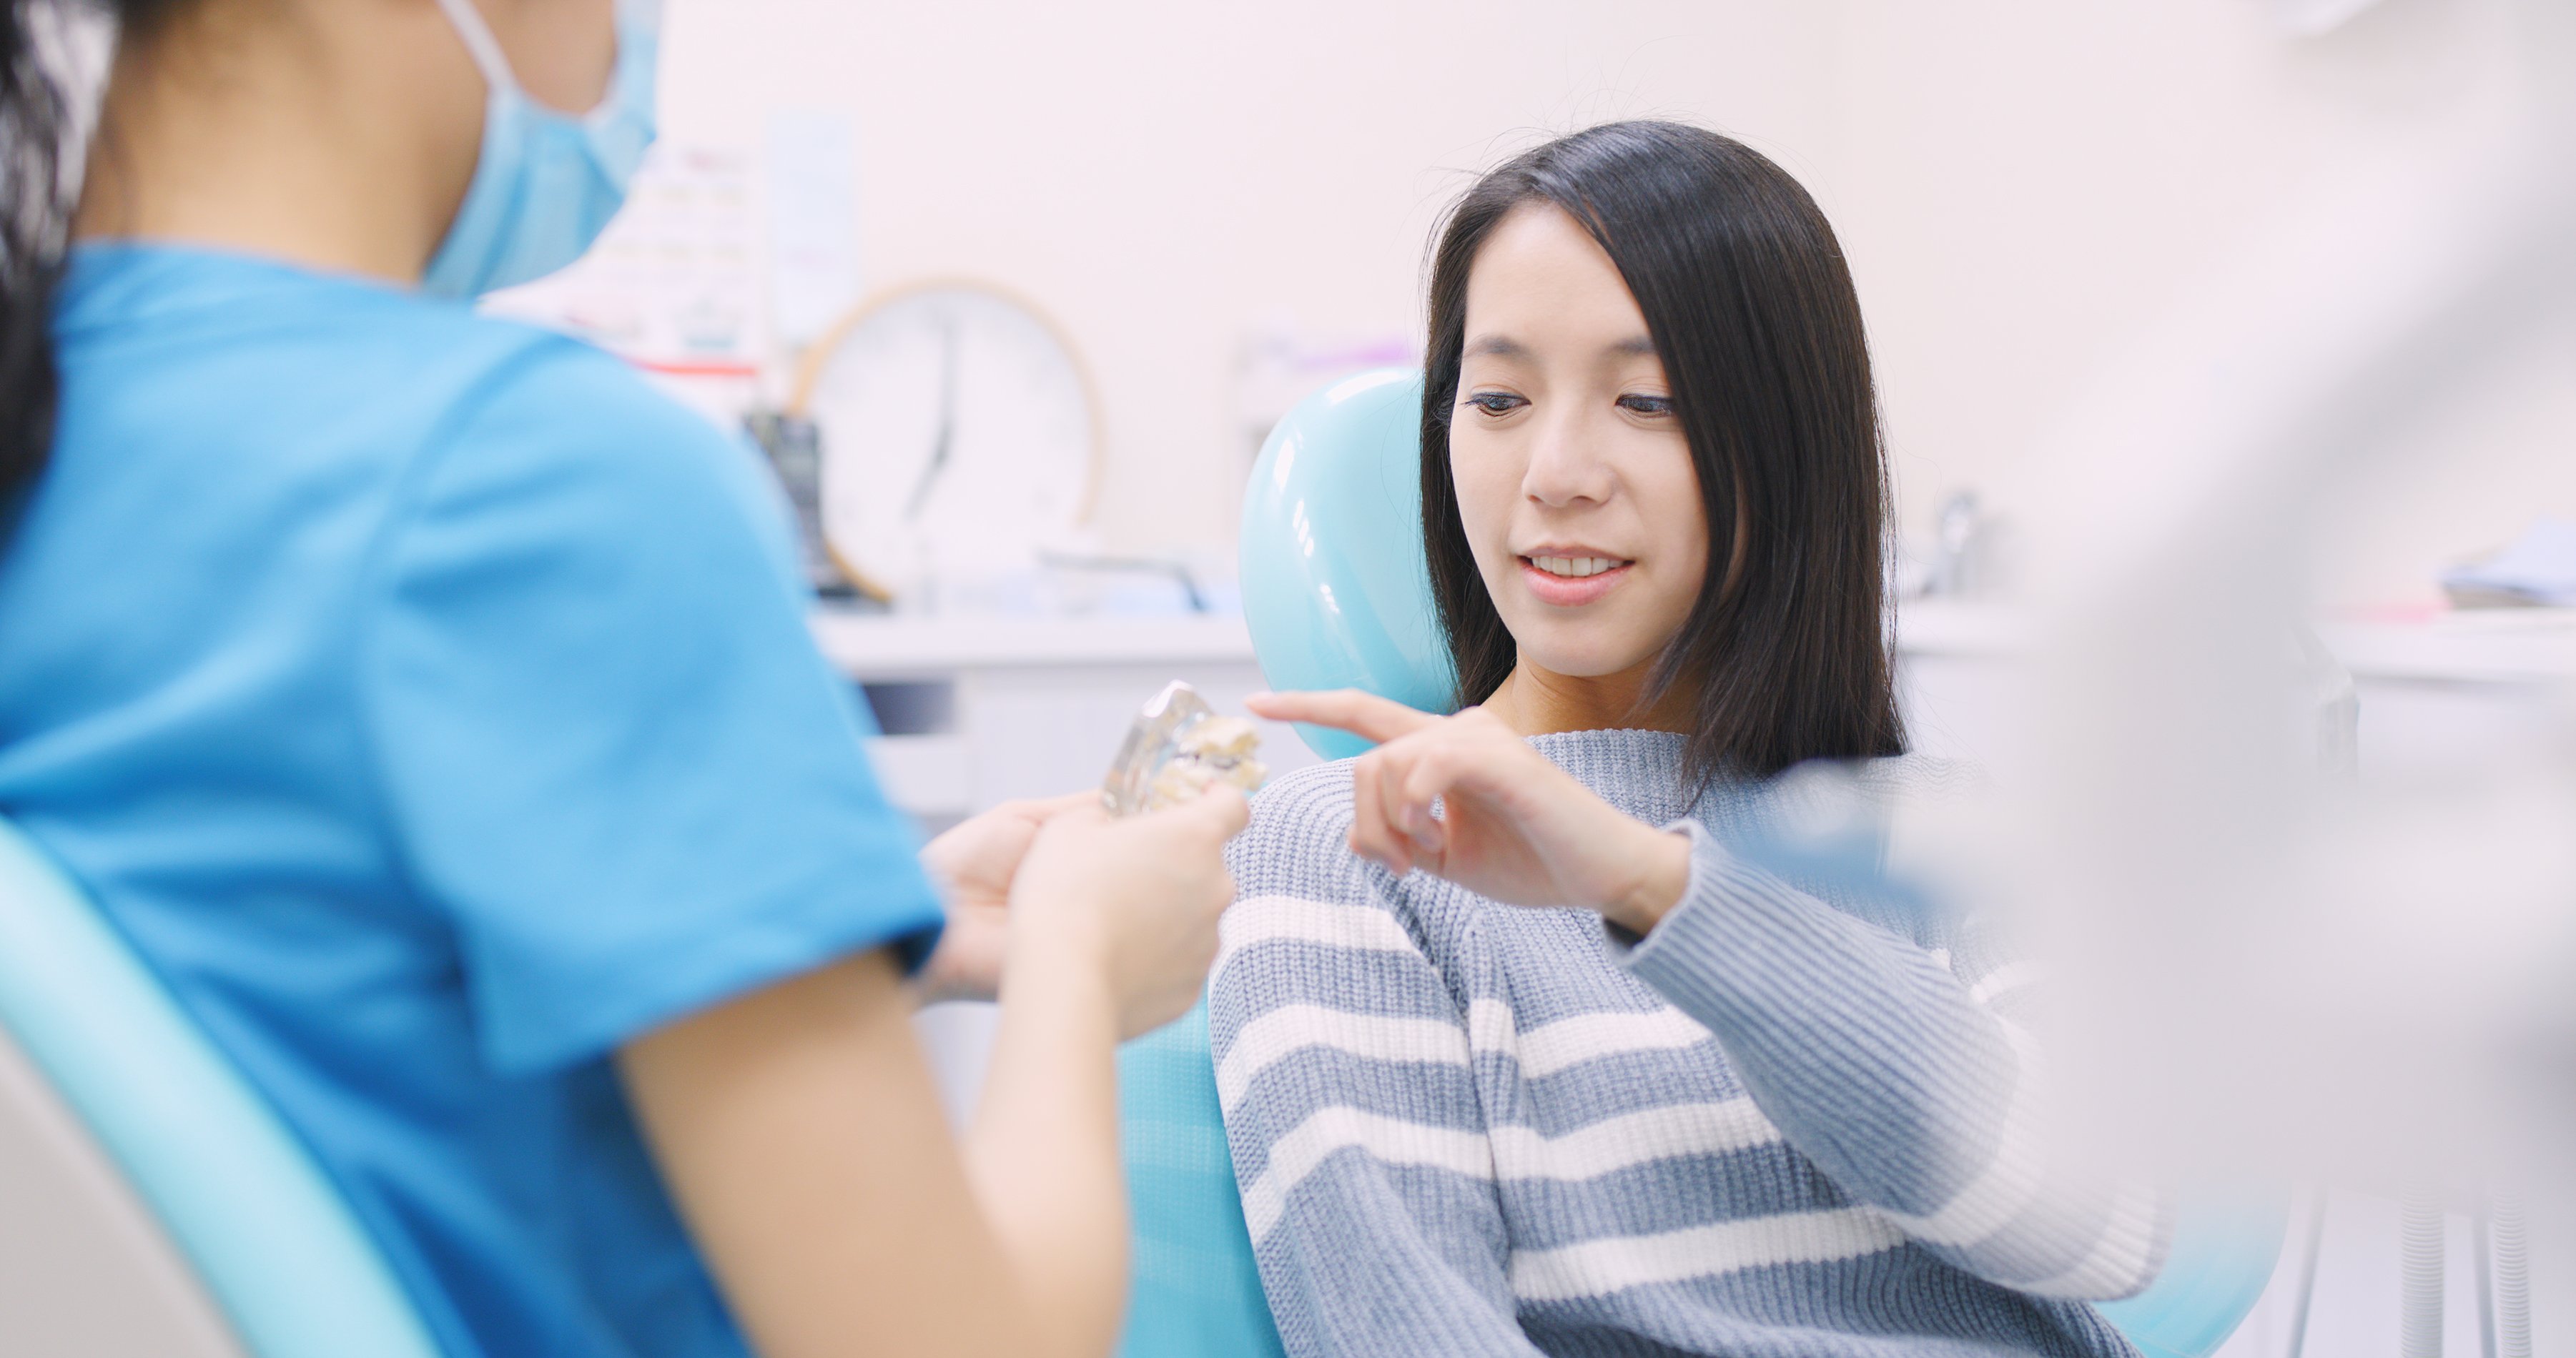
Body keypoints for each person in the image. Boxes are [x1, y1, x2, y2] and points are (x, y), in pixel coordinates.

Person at [0, 2, 1247, 1357]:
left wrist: (866, 955)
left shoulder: (56, 424)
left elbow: (313, 1045)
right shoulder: (535, 484)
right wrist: (1080, 963)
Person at [1213, 122, 2171, 1357]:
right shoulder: (1355, 850)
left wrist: (1657, 890)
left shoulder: (1943, 830)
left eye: (1646, 400)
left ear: (1785, 446)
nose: (1554, 472)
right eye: (1497, 398)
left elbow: (2111, 1224)